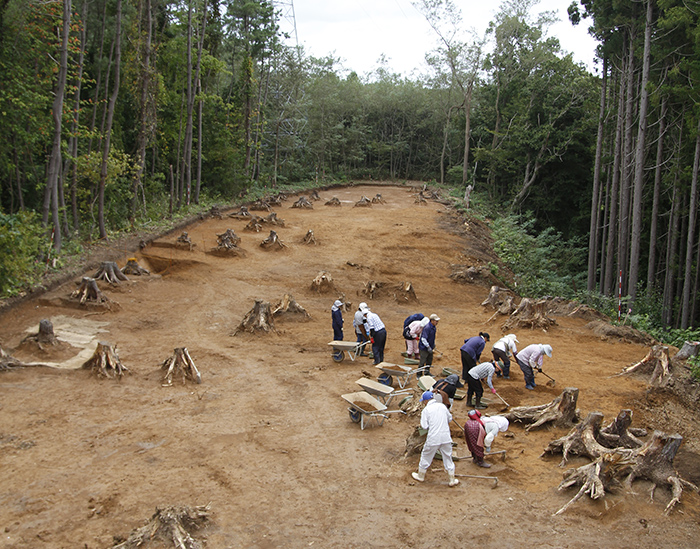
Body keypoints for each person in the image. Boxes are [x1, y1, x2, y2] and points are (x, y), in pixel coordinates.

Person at [411, 391, 459, 487]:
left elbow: (424, 426)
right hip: (446, 437)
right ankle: (452, 479)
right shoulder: (442, 407)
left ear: (426, 401)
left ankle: (421, 476)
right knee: (448, 457)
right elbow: (449, 419)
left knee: (426, 455)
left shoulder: (426, 410)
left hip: (433, 438)